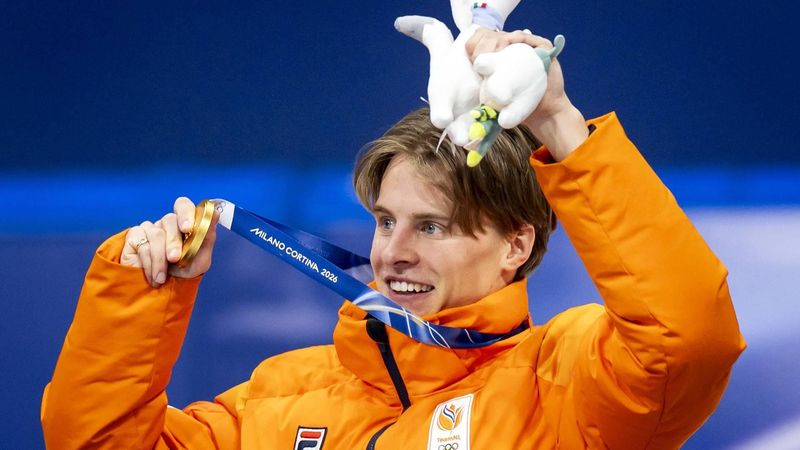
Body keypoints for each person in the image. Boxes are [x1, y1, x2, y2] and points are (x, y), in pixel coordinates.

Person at [41, 27, 745, 449]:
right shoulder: (281, 396)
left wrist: (558, 122)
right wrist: (141, 296)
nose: (393, 251)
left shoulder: (566, 389)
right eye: (385, 220)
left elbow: (689, 339)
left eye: (431, 226)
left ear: (515, 245)